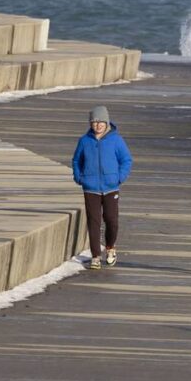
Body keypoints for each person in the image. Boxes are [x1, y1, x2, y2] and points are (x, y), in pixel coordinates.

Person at [71, 106, 133, 270]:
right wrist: (79, 177)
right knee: (94, 221)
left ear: (106, 122)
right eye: (94, 122)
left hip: (111, 187)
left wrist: (119, 177)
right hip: (90, 187)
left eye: (100, 122)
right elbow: (76, 160)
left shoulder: (116, 140)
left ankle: (110, 247)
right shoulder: (84, 141)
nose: (97, 125)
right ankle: (96, 256)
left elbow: (126, 160)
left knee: (111, 220)